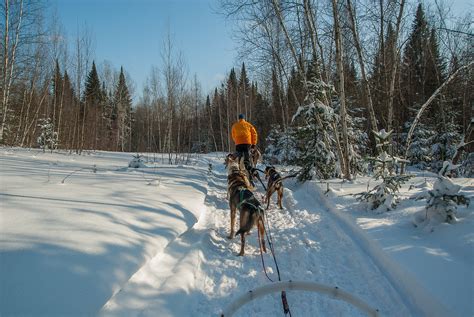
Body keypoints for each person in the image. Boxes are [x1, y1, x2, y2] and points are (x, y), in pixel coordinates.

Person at [231, 114, 258, 182]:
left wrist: (237, 141)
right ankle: (250, 178)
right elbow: (254, 134)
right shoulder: (248, 125)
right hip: (247, 144)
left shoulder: (235, 125)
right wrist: (253, 144)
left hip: (238, 144)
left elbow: (233, 135)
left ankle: (239, 175)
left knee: (239, 160)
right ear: (244, 119)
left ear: (238, 119)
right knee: (247, 160)